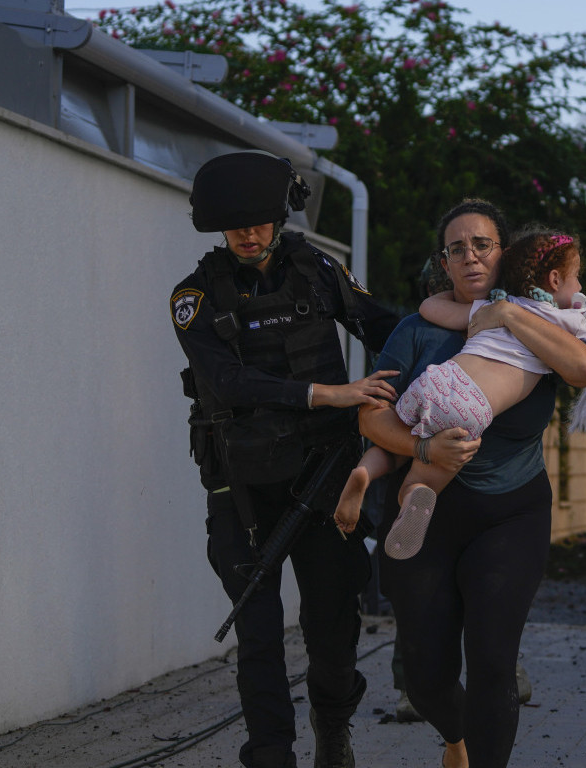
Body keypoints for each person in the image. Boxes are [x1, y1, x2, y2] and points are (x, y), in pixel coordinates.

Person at [170, 151, 401, 768]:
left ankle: (332, 726)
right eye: (236, 223)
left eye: (261, 220)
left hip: (324, 475)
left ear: (280, 216)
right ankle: (271, 754)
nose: (249, 233)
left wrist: (462, 346)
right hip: (242, 485)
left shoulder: (318, 271)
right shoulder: (193, 296)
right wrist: (331, 394)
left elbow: (385, 329)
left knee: (332, 627)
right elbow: (229, 381)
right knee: (259, 630)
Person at [359, 200, 586, 768]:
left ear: (506, 253)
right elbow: (371, 417)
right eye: (456, 249)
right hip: (428, 511)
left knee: (493, 662)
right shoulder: (416, 332)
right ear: (444, 262)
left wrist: (509, 316)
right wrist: (421, 448)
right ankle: (455, 740)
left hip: (511, 513)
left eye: (482, 245)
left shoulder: (541, 322)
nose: (469, 257)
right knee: (424, 678)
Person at [333, 230, 586, 559]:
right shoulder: (567, 323)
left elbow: (431, 308)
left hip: (439, 380)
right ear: (555, 280)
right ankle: (415, 493)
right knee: (427, 474)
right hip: (472, 408)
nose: (581, 288)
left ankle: (364, 472)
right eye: (577, 279)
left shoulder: (496, 306)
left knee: (396, 440)